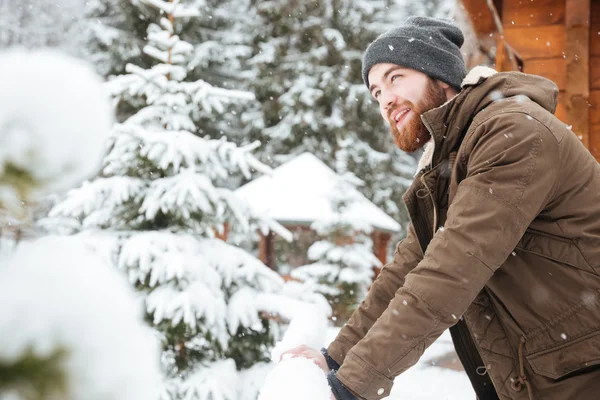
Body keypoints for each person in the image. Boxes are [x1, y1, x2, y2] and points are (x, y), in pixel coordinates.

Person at [281, 16, 600, 400]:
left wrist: (352, 386)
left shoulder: (514, 133)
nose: (385, 100)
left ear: (441, 74)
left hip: (584, 369)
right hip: (554, 370)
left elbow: (451, 270)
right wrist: (335, 358)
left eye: (395, 77)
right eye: (376, 92)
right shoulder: (449, 166)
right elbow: (406, 271)